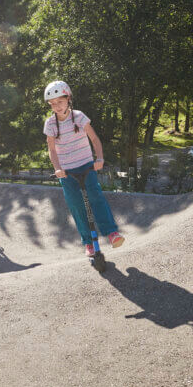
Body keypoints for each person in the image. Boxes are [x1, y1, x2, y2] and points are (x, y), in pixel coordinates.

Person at [42, 80, 125, 257]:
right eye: (53, 103)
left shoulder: (79, 117)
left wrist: (100, 158)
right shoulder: (50, 124)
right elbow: (52, 149)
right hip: (67, 172)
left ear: (68, 99)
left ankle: (111, 233)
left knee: (96, 197)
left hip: (86, 165)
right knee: (76, 205)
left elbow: (94, 139)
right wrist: (57, 169)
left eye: (60, 101)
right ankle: (88, 242)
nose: (56, 106)